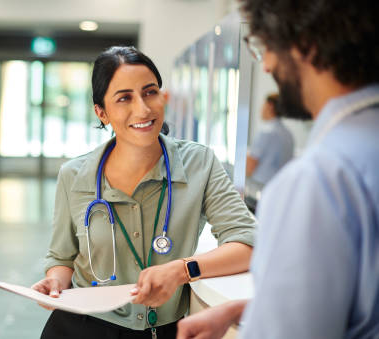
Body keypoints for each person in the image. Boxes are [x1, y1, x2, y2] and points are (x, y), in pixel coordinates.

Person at [177, 0, 379, 338]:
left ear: (305, 44)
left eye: (267, 47)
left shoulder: (317, 180)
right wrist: (242, 309)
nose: (267, 66)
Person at [31, 46, 256, 339]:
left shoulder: (199, 163)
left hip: (161, 330)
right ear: (102, 112)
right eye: (124, 98)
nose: (143, 109)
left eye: (150, 92)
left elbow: (248, 243)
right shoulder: (74, 175)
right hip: (81, 328)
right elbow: (61, 258)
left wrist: (181, 270)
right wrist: (55, 282)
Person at [246, 93, 294, 185]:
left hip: (261, 188)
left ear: (270, 106)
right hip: (281, 187)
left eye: (263, 105)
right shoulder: (288, 135)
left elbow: (249, 166)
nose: (261, 110)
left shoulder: (265, 132)